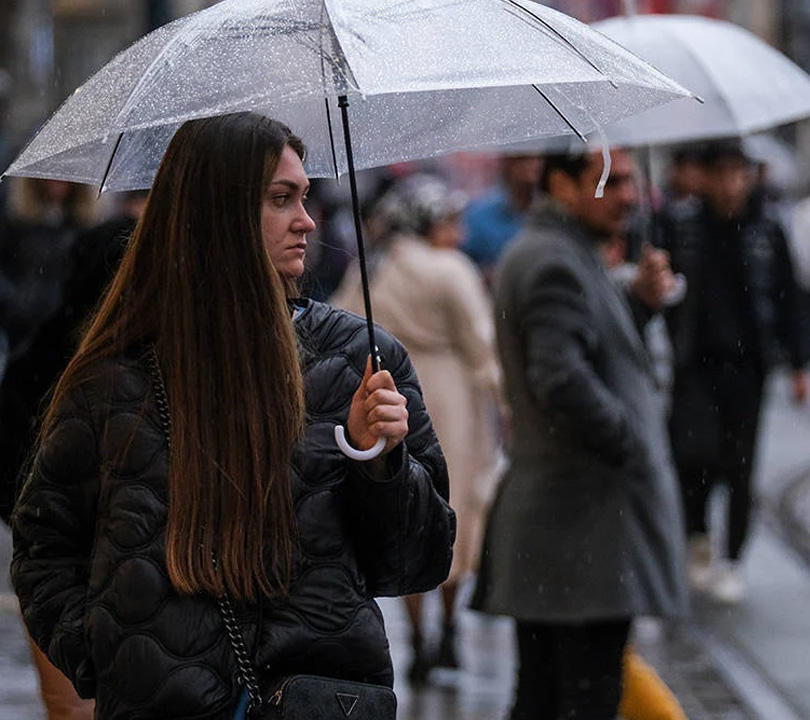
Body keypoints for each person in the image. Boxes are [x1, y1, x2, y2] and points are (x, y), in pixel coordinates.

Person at [11, 112, 455, 720]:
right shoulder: (114, 378)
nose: (306, 221)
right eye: (280, 199)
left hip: (318, 702)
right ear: (216, 212)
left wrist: (376, 460)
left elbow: (418, 560)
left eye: (303, 197)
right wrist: (110, 654)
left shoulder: (359, 360)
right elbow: (44, 546)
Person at [472, 148, 688, 720]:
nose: (627, 196)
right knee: (584, 698)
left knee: (545, 697)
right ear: (563, 185)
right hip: (581, 531)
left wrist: (637, 304)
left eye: (630, 182)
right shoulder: (554, 260)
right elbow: (560, 379)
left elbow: (587, 349)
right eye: (610, 181)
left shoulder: (560, 252)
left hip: (566, 532)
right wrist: (630, 441)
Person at [333, 173, 501, 684]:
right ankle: (449, 628)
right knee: (452, 509)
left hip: (390, 393)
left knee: (408, 508)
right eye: (450, 220)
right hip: (449, 397)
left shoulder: (375, 267)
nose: (459, 232)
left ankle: (421, 637)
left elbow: (340, 321)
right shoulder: (451, 271)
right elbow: (482, 348)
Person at [658, 139, 809, 604]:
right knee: (695, 459)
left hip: (750, 367)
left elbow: (790, 296)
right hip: (695, 366)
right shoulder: (679, 227)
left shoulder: (767, 230)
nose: (730, 184)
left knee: (741, 466)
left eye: (738, 174)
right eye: (721, 173)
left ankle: (732, 558)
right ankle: (698, 537)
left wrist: (799, 364)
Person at [462, 153, 543, 287]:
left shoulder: (551, 211)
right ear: (508, 163)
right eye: (523, 158)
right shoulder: (479, 214)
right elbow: (463, 267)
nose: (533, 165)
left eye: (538, 158)